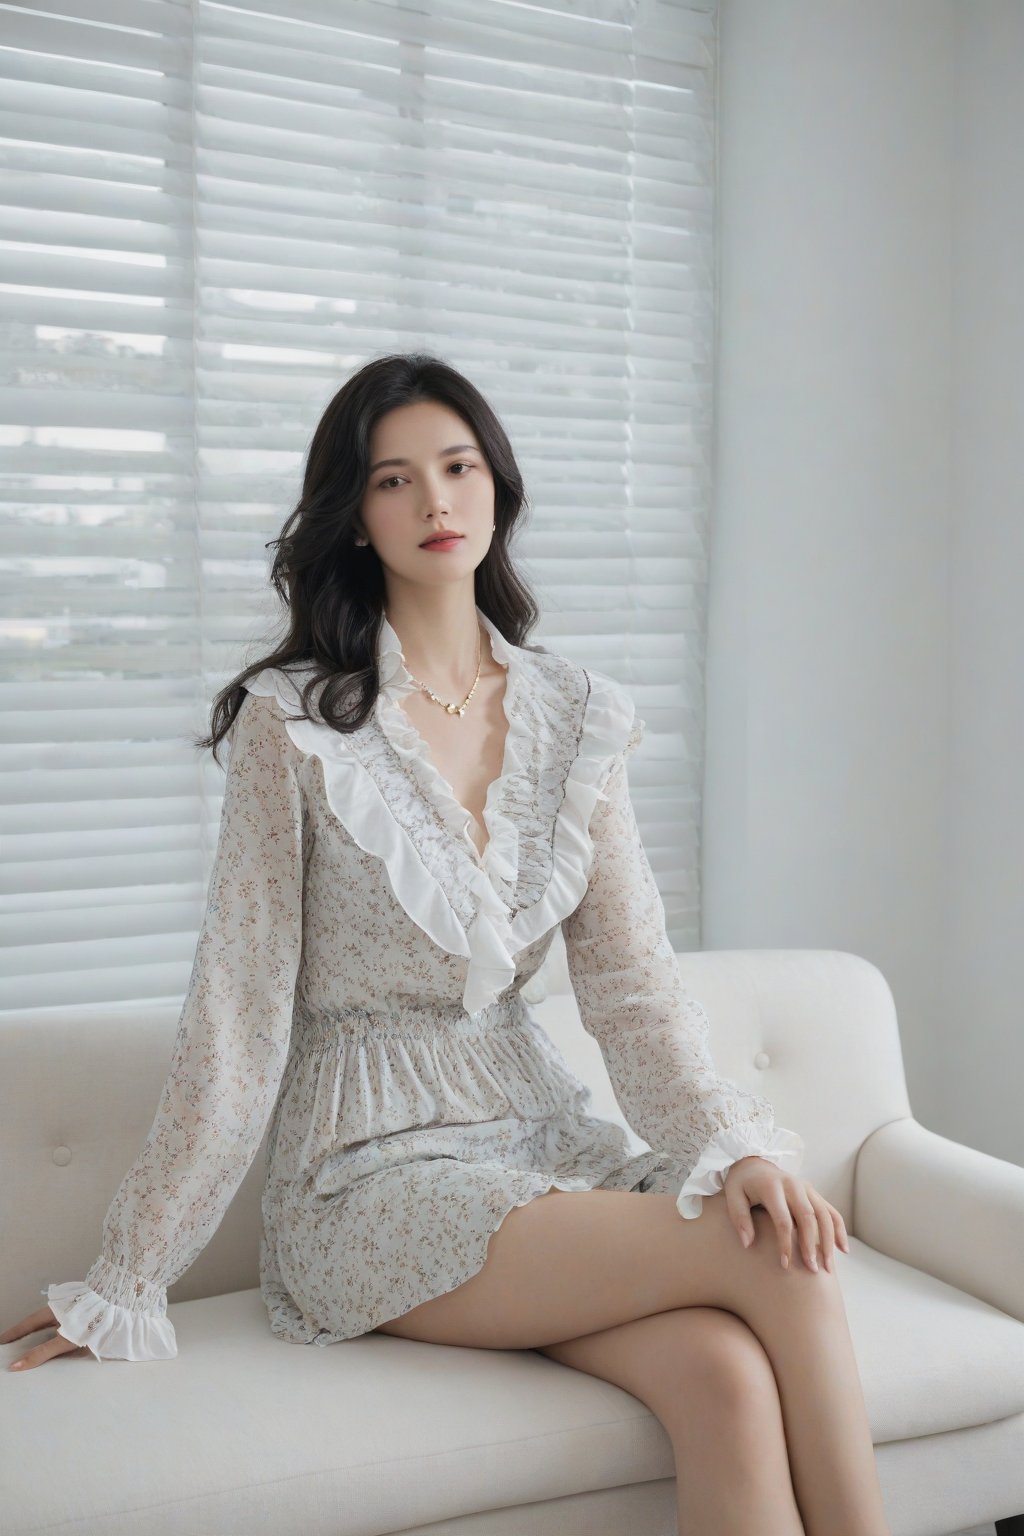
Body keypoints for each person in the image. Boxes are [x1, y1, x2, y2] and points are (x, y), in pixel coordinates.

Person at [2, 354, 890, 1535]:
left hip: (540, 1140)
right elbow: (240, 1013)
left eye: (459, 467)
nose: (435, 502)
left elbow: (631, 992)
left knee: (723, 1376)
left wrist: (729, 1147)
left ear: (496, 487)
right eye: (394, 479)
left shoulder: (576, 716)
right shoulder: (298, 726)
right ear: (354, 516)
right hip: (366, 1181)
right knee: (776, 1256)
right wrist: (126, 1278)